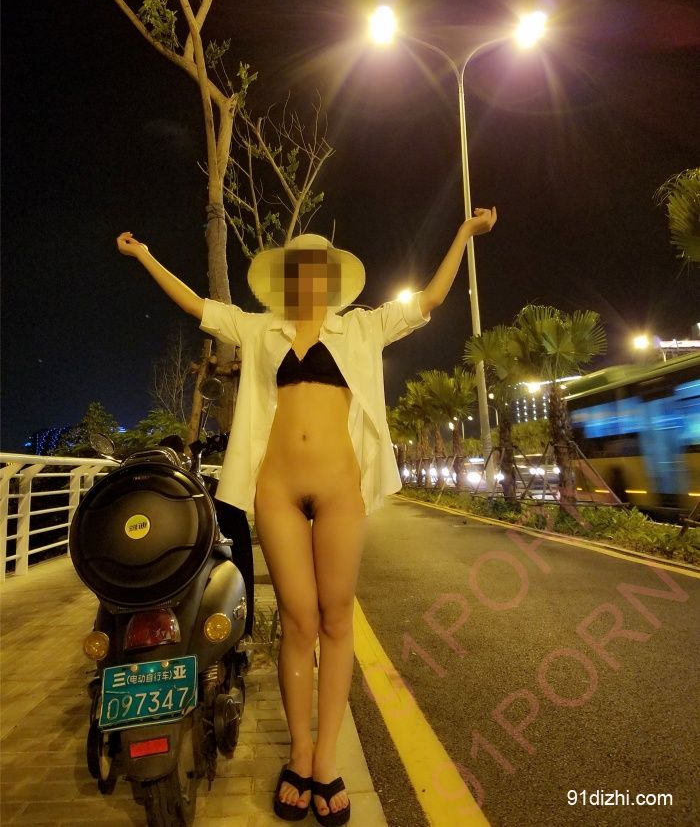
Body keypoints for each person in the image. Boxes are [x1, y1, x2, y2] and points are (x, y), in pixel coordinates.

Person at [116, 207, 497, 825]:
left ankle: (326, 759)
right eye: (299, 270)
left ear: (331, 278)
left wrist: (462, 234)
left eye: (318, 269)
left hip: (341, 487)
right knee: (297, 620)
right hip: (276, 489)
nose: (309, 278)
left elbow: (428, 300)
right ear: (288, 278)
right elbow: (195, 305)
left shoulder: (363, 327)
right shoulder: (259, 329)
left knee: (336, 618)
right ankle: (298, 753)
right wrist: (144, 255)